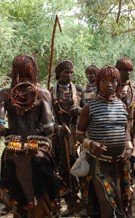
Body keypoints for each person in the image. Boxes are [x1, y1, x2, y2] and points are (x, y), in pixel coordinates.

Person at [0, 55, 64, 217]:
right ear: (33, 70)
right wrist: (60, 128)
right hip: (38, 153)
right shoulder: (42, 93)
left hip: (12, 153)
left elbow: (0, 128)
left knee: (18, 204)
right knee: (42, 202)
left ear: (14, 71)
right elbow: (49, 128)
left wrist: (10, 133)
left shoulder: (4, 94)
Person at [76, 66, 133, 217]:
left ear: (118, 83)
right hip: (99, 164)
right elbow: (79, 135)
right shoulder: (89, 107)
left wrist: (129, 147)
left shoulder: (122, 105)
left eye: (113, 81)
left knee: (122, 204)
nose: (109, 84)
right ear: (97, 83)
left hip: (120, 163)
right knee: (107, 207)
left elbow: (126, 130)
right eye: (104, 81)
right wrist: (91, 144)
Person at [51, 60, 85, 216]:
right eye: (66, 72)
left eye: (71, 72)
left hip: (75, 132)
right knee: (61, 166)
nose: (69, 75)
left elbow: (86, 110)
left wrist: (79, 110)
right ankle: (69, 200)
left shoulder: (78, 90)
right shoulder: (51, 91)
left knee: (78, 162)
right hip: (57, 133)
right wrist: (58, 127)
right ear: (59, 73)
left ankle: (83, 199)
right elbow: (49, 114)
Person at [115, 57, 135, 183]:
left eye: (129, 70)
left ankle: (130, 183)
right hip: (116, 127)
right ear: (118, 70)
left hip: (131, 126)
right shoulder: (113, 86)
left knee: (131, 157)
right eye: (123, 70)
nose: (127, 73)